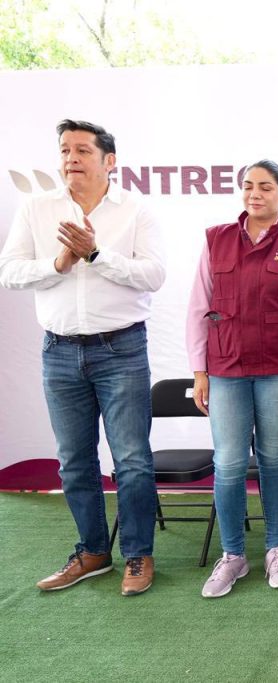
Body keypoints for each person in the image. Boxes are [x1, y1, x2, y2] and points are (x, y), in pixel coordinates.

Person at [0, 119, 165, 595]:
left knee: (132, 460)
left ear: (109, 161)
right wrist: (59, 263)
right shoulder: (37, 208)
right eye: (65, 150)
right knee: (74, 461)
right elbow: (9, 272)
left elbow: (153, 275)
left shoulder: (135, 210)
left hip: (122, 349)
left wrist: (95, 254)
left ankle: (138, 554)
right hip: (59, 350)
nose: (71, 158)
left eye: (82, 151)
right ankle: (93, 552)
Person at [186, 159, 278, 598]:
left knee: (273, 459)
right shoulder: (215, 239)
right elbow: (198, 309)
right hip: (226, 369)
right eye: (248, 185)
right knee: (228, 464)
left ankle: (275, 550)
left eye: (266, 186)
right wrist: (199, 372)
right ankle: (233, 555)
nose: (255, 193)